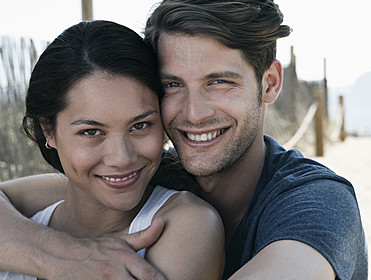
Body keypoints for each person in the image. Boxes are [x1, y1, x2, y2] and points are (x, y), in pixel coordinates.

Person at [0, 0, 367, 279]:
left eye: (219, 82)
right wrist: (61, 254)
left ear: (269, 83)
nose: (194, 113)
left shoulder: (316, 201)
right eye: (173, 85)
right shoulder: (144, 175)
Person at [0, 20, 224, 280]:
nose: (122, 158)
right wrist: (57, 256)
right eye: (91, 132)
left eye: (140, 126)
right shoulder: (25, 216)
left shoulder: (187, 226)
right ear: (48, 131)